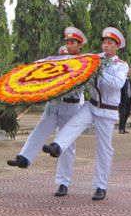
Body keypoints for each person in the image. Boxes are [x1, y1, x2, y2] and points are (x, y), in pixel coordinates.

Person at [43, 27, 128, 201]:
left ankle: (100, 186)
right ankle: (57, 146)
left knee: (104, 149)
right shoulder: (93, 59)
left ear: (116, 47)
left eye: (110, 43)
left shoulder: (122, 66)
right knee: (73, 123)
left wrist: (98, 71)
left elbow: (118, 84)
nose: (105, 46)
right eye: (104, 42)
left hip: (107, 110)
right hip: (91, 105)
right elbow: (74, 63)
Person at [7, 27, 86, 197]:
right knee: (39, 130)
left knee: (68, 145)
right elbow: (38, 64)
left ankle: (63, 183)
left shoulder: (85, 62)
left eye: (73, 43)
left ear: (80, 45)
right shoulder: (56, 61)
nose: (69, 46)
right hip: (53, 105)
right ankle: (24, 158)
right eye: (67, 43)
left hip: (70, 107)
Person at [118, 67, 131, 134]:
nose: (129, 72)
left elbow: (130, 89)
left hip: (129, 99)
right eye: (128, 70)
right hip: (122, 100)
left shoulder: (129, 80)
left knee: (127, 113)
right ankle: (120, 128)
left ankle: (123, 128)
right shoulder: (122, 80)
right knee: (123, 114)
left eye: (130, 71)